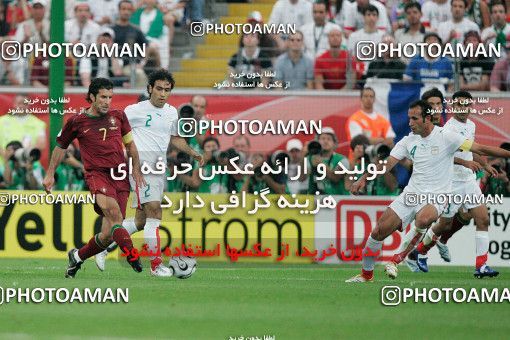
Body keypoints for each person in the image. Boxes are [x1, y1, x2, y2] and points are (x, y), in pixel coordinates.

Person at [345, 99, 510, 282]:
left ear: (428, 118)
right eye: (409, 118)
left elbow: (481, 148)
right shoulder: (408, 140)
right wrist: (363, 178)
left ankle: (398, 258)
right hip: (412, 193)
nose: (410, 123)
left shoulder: (446, 136)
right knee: (378, 232)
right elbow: (386, 164)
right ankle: (366, 275)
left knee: (424, 219)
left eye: (414, 118)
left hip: (438, 196)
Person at [94, 69, 204, 276]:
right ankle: (156, 266)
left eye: (167, 90)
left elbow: (175, 138)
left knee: (141, 221)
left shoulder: (172, 112)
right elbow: (112, 131)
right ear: (150, 88)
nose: (163, 94)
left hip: (158, 168)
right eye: (159, 89)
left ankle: (103, 247)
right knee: (155, 211)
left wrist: (193, 153)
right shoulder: (133, 110)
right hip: (141, 168)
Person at [42, 78, 146, 278]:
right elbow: (60, 147)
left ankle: (77, 257)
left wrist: (136, 169)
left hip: (120, 177)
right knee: (116, 217)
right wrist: (49, 174)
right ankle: (132, 255)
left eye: (110, 97)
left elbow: (131, 145)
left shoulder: (119, 116)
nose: (107, 101)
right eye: (103, 97)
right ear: (92, 97)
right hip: (97, 176)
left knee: (108, 235)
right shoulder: (77, 121)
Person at [406, 91, 500, 278]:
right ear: (453, 107)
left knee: (483, 219)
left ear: (470, 107)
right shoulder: (448, 128)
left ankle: (481, 266)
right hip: (451, 182)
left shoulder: (471, 125)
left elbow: (471, 150)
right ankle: (420, 251)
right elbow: (445, 155)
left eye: (466, 105)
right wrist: (466, 163)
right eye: (459, 105)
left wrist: (485, 164)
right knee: (445, 224)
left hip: (468, 181)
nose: (462, 109)